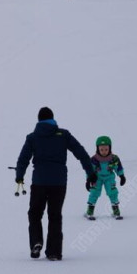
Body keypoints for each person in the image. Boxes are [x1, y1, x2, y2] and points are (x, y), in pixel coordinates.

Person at [15, 107, 96, 261]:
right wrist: (90, 173)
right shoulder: (63, 135)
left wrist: (19, 176)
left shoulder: (33, 137)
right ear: (53, 119)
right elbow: (81, 153)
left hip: (39, 182)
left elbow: (23, 159)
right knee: (55, 215)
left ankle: (36, 242)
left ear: (38, 120)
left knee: (35, 213)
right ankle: (54, 252)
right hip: (59, 183)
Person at [86, 136, 126, 220]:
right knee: (94, 192)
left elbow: (118, 167)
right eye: (101, 150)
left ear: (110, 148)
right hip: (97, 177)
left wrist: (121, 176)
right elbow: (89, 170)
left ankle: (116, 210)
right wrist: (88, 180)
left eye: (106, 149)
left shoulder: (114, 158)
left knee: (113, 192)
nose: (104, 152)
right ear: (97, 149)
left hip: (109, 177)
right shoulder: (94, 159)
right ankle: (90, 210)